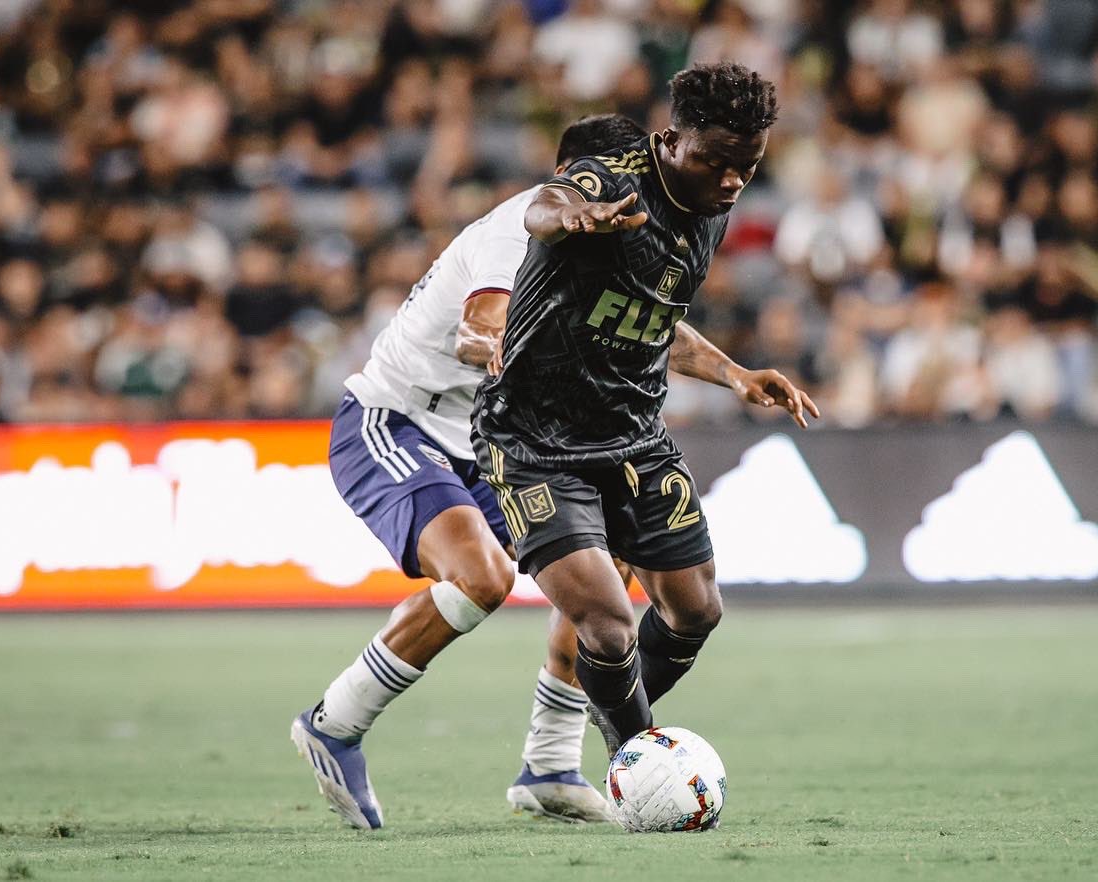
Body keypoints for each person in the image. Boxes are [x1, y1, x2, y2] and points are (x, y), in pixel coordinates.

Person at [290, 113, 815, 829]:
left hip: (500, 438)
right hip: (400, 421)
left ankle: (550, 763)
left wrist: (733, 374)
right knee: (481, 578)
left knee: (606, 562)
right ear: (575, 182)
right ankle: (336, 722)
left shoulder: (619, 234)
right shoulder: (520, 232)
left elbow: (650, 325)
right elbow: (483, 318)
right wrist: (492, 343)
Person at [473, 63, 816, 781]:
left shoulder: (711, 209)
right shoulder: (612, 181)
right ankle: (639, 768)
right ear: (670, 140)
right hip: (534, 440)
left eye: (748, 167)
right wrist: (572, 217)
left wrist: (736, 374)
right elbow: (548, 202)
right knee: (607, 621)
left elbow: (654, 321)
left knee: (697, 611)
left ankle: (616, 731)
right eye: (716, 161)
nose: (732, 181)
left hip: (634, 438)